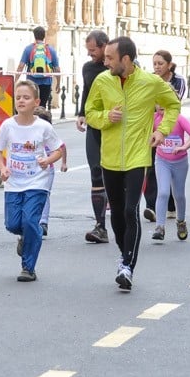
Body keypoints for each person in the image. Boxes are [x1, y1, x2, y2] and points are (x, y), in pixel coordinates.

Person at [85, 36, 181, 292]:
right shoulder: (102, 81)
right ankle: (124, 252)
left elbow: (173, 105)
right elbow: (89, 112)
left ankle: (127, 265)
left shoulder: (151, 83)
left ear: (125, 59)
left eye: (109, 58)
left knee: (130, 211)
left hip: (138, 157)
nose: (105, 62)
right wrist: (107, 116)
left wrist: (162, 132)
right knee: (116, 213)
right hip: (111, 158)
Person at [0, 80, 65, 282]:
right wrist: (3, 167)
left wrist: (47, 160)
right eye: (18, 97)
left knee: (31, 221)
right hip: (14, 182)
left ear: (36, 102)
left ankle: (28, 267)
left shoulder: (43, 127)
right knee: (13, 224)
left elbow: (59, 148)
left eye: (26, 97)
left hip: (37, 183)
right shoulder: (8, 125)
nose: (21, 101)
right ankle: (25, 237)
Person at [75, 30, 111, 244]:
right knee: (96, 171)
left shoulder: (118, 67)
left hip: (116, 127)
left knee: (116, 175)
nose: (91, 55)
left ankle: (123, 220)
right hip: (95, 126)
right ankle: (100, 227)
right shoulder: (88, 68)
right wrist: (81, 114)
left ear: (105, 45)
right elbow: (87, 92)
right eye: (88, 51)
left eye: (93, 50)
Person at [145, 50, 184, 221]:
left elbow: (175, 103)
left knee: (170, 169)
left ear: (169, 64)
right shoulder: (150, 80)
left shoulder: (178, 81)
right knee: (152, 167)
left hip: (172, 129)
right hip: (153, 126)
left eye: (160, 63)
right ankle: (151, 206)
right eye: (154, 63)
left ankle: (170, 204)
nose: (157, 67)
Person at [151, 105, 190, 242]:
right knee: (163, 192)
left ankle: (181, 222)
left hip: (180, 163)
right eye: (158, 101)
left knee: (178, 195)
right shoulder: (154, 119)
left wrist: (184, 147)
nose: (161, 105)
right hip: (162, 161)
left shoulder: (179, 119)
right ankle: (160, 227)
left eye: (164, 101)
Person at [33, 105, 67, 237]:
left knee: (44, 194)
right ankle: (34, 221)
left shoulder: (50, 136)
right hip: (32, 170)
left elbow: (62, 147)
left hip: (48, 170)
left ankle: (43, 222)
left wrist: (64, 163)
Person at [16, 25, 60, 109]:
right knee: (42, 106)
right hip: (46, 83)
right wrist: (58, 83)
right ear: (44, 36)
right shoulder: (51, 50)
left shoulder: (28, 49)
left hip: (31, 83)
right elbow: (57, 69)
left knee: (30, 106)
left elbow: (21, 66)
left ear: (34, 35)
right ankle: (41, 120)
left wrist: (15, 80)